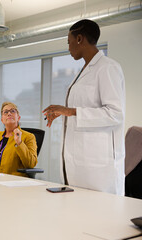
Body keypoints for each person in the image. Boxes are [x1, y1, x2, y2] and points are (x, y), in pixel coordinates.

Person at [42, 19, 125, 195]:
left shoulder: (108, 68)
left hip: (98, 169)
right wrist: (64, 113)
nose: (69, 48)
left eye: (69, 42)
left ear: (79, 39)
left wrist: (70, 111)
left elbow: (115, 114)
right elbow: (83, 109)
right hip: (78, 164)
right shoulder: (82, 71)